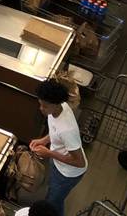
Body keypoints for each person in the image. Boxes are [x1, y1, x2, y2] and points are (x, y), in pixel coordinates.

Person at [30, 79, 88, 216]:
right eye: (40, 104)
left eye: (45, 106)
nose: (41, 109)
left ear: (56, 105)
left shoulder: (67, 130)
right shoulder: (58, 110)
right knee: (54, 196)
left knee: (52, 205)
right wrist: (43, 140)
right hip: (58, 164)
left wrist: (49, 153)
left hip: (68, 174)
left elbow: (80, 162)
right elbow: (55, 131)